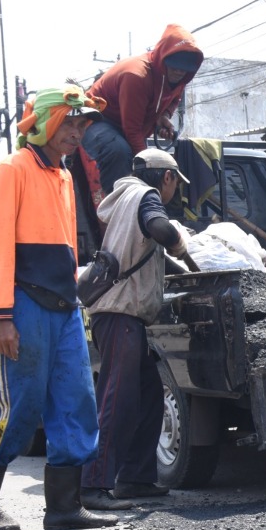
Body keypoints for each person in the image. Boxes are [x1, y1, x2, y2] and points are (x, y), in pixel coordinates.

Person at [0, 87, 120, 530]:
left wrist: (77, 297)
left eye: (81, 124)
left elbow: (67, 248)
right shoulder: (13, 169)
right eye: (69, 122)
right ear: (46, 122)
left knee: (76, 402)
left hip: (64, 307)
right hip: (23, 304)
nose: (77, 132)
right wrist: (1, 316)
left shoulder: (65, 175)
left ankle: (64, 507)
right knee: (18, 406)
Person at [79, 148, 192, 511]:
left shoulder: (125, 198)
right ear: (167, 177)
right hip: (121, 315)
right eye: (175, 183)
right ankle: (93, 484)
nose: (174, 190)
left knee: (147, 394)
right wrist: (181, 242)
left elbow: (150, 255)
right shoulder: (147, 196)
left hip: (119, 315)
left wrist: (189, 270)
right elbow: (161, 229)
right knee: (117, 399)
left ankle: (135, 477)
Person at [77, 26, 204, 210]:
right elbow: (132, 131)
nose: (179, 72)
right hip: (97, 120)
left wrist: (163, 117)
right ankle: (118, 211)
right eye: (175, 67)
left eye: (184, 69)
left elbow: (173, 99)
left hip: (129, 125)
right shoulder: (136, 75)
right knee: (120, 152)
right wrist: (150, 165)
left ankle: (140, 207)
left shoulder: (180, 78)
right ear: (163, 58)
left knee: (141, 161)